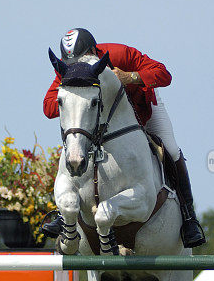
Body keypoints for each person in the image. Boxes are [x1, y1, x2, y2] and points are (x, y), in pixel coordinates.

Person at [42, 28, 205, 248]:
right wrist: (70, 96)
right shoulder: (71, 70)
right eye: (72, 64)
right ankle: (65, 215)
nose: (77, 68)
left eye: (81, 60)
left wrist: (130, 77)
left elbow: (163, 74)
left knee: (172, 149)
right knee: (76, 146)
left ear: (93, 51)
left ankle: (188, 216)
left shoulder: (119, 54)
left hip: (143, 109)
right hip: (103, 123)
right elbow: (49, 107)